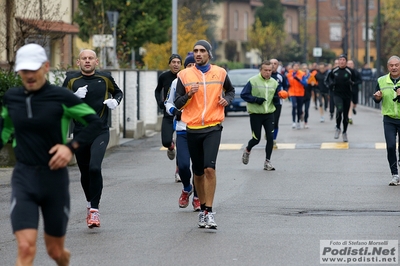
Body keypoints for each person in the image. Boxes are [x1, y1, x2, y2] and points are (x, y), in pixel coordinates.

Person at [2, 43, 102, 265]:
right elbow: (4, 130)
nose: (28, 75)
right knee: (26, 247)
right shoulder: (12, 98)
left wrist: (70, 147)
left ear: (46, 67)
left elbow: (94, 123)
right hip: (24, 177)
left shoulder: (61, 97)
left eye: (33, 69)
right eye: (23, 70)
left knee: (55, 252)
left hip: (53, 179)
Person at [174, 40, 235, 229]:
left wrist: (227, 100)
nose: (198, 54)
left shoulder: (221, 72)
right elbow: (177, 103)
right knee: (198, 172)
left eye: (202, 51)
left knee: (210, 169)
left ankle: (208, 210)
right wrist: (189, 95)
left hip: (213, 126)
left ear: (209, 53)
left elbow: (231, 91)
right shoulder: (184, 75)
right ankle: (201, 209)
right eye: (195, 51)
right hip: (192, 128)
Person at [62, 49, 123, 228]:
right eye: (84, 58)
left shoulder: (105, 78)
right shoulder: (71, 80)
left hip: (100, 131)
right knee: (85, 172)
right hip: (80, 132)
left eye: (90, 58)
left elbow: (118, 93)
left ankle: (94, 211)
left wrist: (115, 101)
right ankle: (90, 204)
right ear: (78, 62)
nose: (87, 61)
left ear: (96, 62)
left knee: (95, 168)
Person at [164, 52, 200, 211]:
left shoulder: (204, 81)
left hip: (201, 129)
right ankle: (187, 188)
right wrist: (174, 111)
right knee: (184, 166)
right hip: (183, 129)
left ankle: (198, 197)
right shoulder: (176, 82)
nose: (192, 68)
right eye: (189, 65)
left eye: (194, 65)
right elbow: (168, 103)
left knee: (199, 167)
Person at [241, 60, 280, 170]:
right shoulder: (252, 81)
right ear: (261, 70)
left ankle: (267, 162)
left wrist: (279, 97)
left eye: (270, 70)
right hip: (256, 114)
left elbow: (276, 98)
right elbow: (244, 95)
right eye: (265, 70)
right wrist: (255, 99)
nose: (268, 72)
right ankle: (248, 149)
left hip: (269, 114)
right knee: (256, 139)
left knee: (270, 138)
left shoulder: (274, 83)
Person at [154, 54, 182, 182]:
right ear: (169, 64)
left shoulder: (184, 76)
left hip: (183, 115)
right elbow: (157, 90)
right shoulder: (164, 76)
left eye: (178, 62)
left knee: (182, 146)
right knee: (166, 141)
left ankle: (178, 172)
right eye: (173, 62)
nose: (176, 64)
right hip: (168, 114)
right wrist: (160, 103)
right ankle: (171, 147)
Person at [373, 55, 400, 186]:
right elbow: (376, 97)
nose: (394, 67)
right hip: (389, 119)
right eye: (391, 65)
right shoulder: (381, 80)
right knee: (390, 146)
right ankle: (395, 174)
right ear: (388, 67)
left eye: (396, 65)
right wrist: (377, 97)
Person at [325, 54, 355, 142]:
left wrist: (352, 83)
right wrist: (330, 85)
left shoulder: (350, 71)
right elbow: (327, 81)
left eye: (343, 60)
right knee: (339, 110)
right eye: (340, 60)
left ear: (346, 61)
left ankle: (344, 132)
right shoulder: (334, 71)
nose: (342, 61)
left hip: (347, 95)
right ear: (338, 61)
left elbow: (357, 81)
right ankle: (338, 127)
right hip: (337, 94)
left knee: (345, 115)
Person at [270, 58, 289, 148]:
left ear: (278, 66)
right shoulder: (264, 76)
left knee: (275, 122)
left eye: (275, 63)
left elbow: (286, 87)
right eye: (271, 63)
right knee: (268, 122)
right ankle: (269, 135)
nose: (273, 65)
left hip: (277, 102)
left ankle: (273, 140)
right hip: (266, 103)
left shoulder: (281, 76)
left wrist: (284, 93)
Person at [286, 62, 307, 129]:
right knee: (294, 106)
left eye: (297, 66)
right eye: (295, 66)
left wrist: (299, 80)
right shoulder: (289, 74)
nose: (296, 67)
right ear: (292, 67)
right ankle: (293, 122)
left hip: (300, 93)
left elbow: (305, 84)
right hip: (292, 93)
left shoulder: (302, 74)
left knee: (299, 108)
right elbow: (286, 82)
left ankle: (298, 121)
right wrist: (287, 85)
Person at [346, 60, 362, 124]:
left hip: (355, 89)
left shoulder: (356, 72)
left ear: (353, 65)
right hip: (347, 90)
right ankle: (349, 117)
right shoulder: (345, 72)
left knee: (354, 103)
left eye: (351, 64)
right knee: (350, 103)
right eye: (348, 64)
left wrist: (354, 83)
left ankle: (353, 108)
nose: (350, 65)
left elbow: (360, 80)